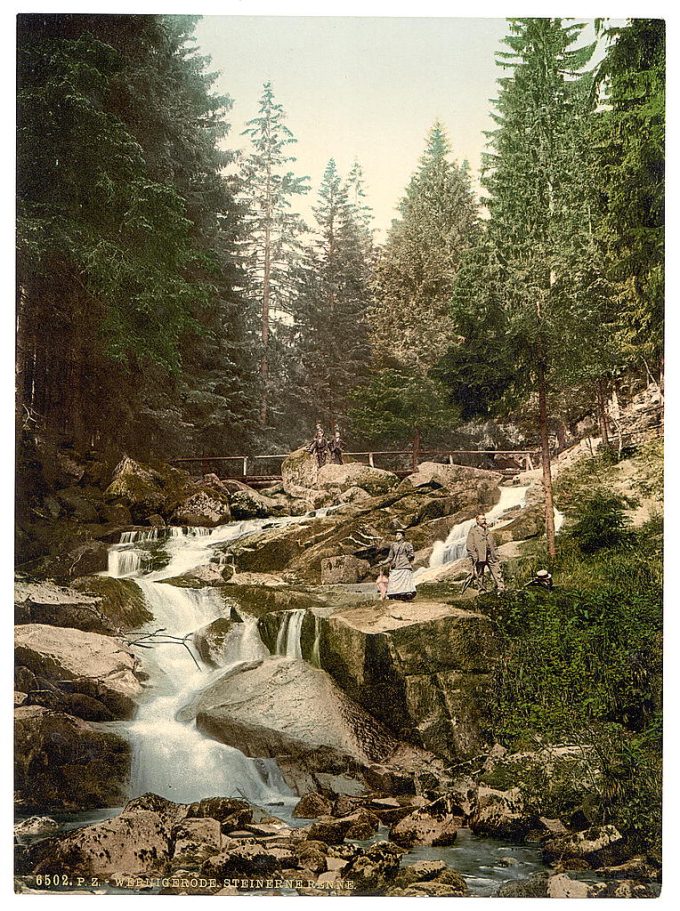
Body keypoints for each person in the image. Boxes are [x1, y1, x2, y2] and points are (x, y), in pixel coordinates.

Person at [466, 513, 505, 592]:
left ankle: (501, 587)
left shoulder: (487, 530)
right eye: (482, 519)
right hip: (479, 555)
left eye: (485, 519)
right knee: (480, 573)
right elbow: (469, 546)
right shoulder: (473, 531)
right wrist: (474, 556)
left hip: (491, 555)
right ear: (477, 521)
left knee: (497, 570)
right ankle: (482, 590)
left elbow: (493, 543)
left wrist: (496, 553)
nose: (484, 521)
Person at [385, 529, 416, 601]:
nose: (397, 536)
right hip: (395, 565)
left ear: (403, 536)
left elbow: (411, 554)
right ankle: (394, 594)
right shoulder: (393, 545)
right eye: (396, 534)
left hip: (404, 565)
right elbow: (390, 557)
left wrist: (405, 560)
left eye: (399, 534)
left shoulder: (407, 544)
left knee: (405, 578)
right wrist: (383, 562)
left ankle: (407, 594)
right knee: (393, 577)